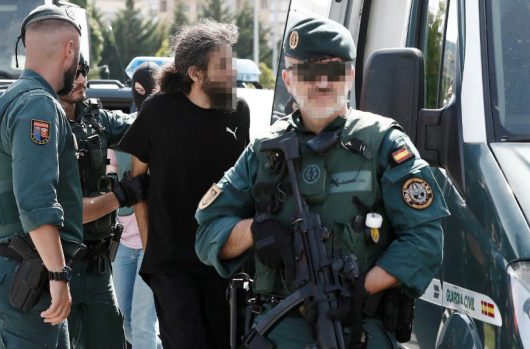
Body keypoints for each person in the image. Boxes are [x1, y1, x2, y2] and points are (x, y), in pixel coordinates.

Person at [195, 17, 450, 348]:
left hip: (358, 328)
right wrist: (256, 230)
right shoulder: (264, 150)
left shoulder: (384, 143)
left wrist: (360, 288)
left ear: (351, 76)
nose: (322, 83)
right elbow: (208, 232)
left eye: (334, 71)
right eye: (308, 72)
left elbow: (425, 238)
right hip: (280, 330)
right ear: (288, 78)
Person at [119, 19, 251, 349]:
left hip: (222, 258)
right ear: (195, 73)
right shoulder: (158, 111)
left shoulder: (239, 111)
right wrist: (152, 248)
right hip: (172, 264)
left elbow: (244, 183)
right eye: (224, 65)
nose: (233, 72)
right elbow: (137, 183)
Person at [0, 4, 82, 348]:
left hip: (15, 270)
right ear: (70, 49)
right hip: (28, 277)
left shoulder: (8, 99)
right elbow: (36, 199)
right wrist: (58, 274)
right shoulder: (37, 104)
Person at [58, 54, 148, 349]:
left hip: (97, 267)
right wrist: (121, 196)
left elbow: (143, 127)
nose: (82, 80)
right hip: (58, 267)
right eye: (74, 75)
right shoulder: (42, 127)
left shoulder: (95, 119)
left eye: (83, 72)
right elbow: (68, 212)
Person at [111, 62, 163, 349]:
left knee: (143, 324)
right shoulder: (121, 130)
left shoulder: (167, 132)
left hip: (152, 241)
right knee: (128, 323)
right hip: (122, 242)